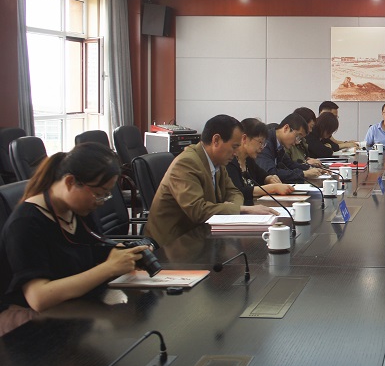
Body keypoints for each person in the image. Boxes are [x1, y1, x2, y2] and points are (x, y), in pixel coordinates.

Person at [0, 143, 150, 315]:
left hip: (75, 307)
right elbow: (38, 298)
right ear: (70, 182)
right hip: (31, 318)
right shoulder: (25, 223)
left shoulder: (77, 210)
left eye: (106, 195)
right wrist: (109, 268)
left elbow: (93, 248)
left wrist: (122, 253)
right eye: (99, 194)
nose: (101, 202)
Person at [145, 115, 277, 246]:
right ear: (216, 140)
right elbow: (198, 211)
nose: (236, 152)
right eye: (234, 146)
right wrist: (241, 209)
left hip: (201, 234)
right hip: (173, 243)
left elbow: (234, 192)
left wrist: (232, 207)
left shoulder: (218, 162)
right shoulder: (186, 163)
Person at [225, 118, 294, 206]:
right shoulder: (229, 161)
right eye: (260, 142)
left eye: (264, 143)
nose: (262, 147)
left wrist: (269, 178)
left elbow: (263, 175)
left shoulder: (248, 160)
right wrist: (273, 188)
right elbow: (239, 191)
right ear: (244, 138)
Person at [257, 113, 327, 183]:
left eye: (299, 139)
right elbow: (271, 173)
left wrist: (310, 168)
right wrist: (303, 173)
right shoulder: (265, 143)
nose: (297, 142)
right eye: (297, 136)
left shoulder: (278, 144)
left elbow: (289, 164)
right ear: (286, 128)